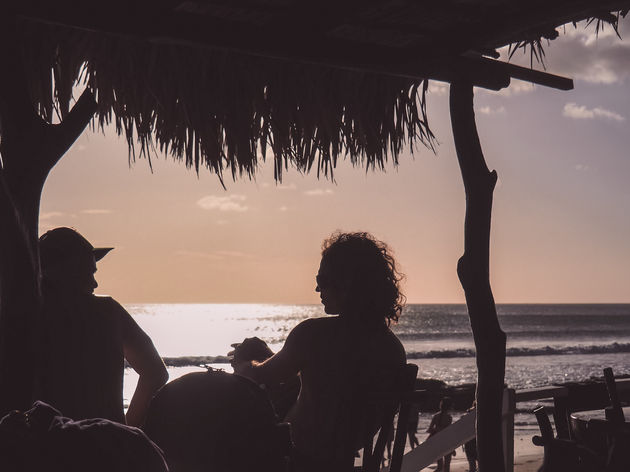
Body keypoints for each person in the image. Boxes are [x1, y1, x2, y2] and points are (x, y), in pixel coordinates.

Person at [237, 231, 407, 470]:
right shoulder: (392, 348)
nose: (318, 289)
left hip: (295, 461)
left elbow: (259, 377)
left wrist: (243, 363)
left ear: (347, 284)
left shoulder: (312, 334)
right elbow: (332, 379)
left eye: (323, 280)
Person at [36, 227, 168, 427]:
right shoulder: (108, 312)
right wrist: (126, 430)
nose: (94, 283)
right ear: (66, 272)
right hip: (105, 445)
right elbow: (155, 372)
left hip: (40, 446)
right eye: (87, 273)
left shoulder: (25, 316)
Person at [427, 397, 455, 472]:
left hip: (437, 443)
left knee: (439, 467)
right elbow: (449, 433)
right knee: (446, 466)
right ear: (449, 406)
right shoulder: (449, 417)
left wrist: (437, 429)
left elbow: (429, 430)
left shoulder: (435, 416)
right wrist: (453, 448)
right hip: (446, 443)